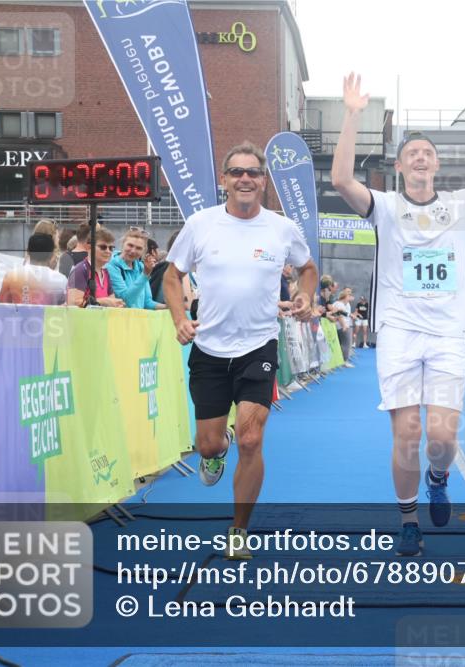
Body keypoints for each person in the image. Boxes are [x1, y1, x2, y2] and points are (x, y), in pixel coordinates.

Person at [331, 72, 465, 555]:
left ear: (437, 164)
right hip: (400, 332)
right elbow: (342, 179)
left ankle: (439, 476)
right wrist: (352, 114)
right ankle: (408, 519)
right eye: (411, 154)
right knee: (407, 431)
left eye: (427, 152)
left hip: (446, 334)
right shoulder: (383, 207)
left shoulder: (462, 205)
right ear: (401, 167)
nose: (420, 158)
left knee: (442, 437)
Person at [164, 141, 318, 560]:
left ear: (263, 181)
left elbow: (307, 268)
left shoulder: (281, 228)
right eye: (237, 172)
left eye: (253, 172)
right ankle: (215, 451)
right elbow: (172, 276)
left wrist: (305, 295)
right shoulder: (201, 224)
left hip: (259, 345)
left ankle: (239, 531)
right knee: (209, 445)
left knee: (252, 439)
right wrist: (179, 317)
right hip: (210, 349)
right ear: (224, 180)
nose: (245, 179)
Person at [0, 233, 68, 305]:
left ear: (28, 251)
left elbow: (1, 307)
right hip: (49, 316)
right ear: (51, 254)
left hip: (19, 315)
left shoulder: (11, 276)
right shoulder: (61, 280)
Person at [107, 230, 166, 310]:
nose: (133, 251)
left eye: (138, 248)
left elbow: (147, 303)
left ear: (143, 251)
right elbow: (125, 302)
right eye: (130, 245)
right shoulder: (112, 267)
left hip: (137, 319)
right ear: (123, 244)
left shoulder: (141, 267)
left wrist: (169, 307)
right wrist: (145, 275)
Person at [66, 226, 125, 308]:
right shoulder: (80, 270)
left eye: (111, 248)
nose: (108, 251)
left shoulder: (105, 272)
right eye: (103, 247)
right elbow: (73, 303)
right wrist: (103, 301)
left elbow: (111, 301)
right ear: (89, 247)